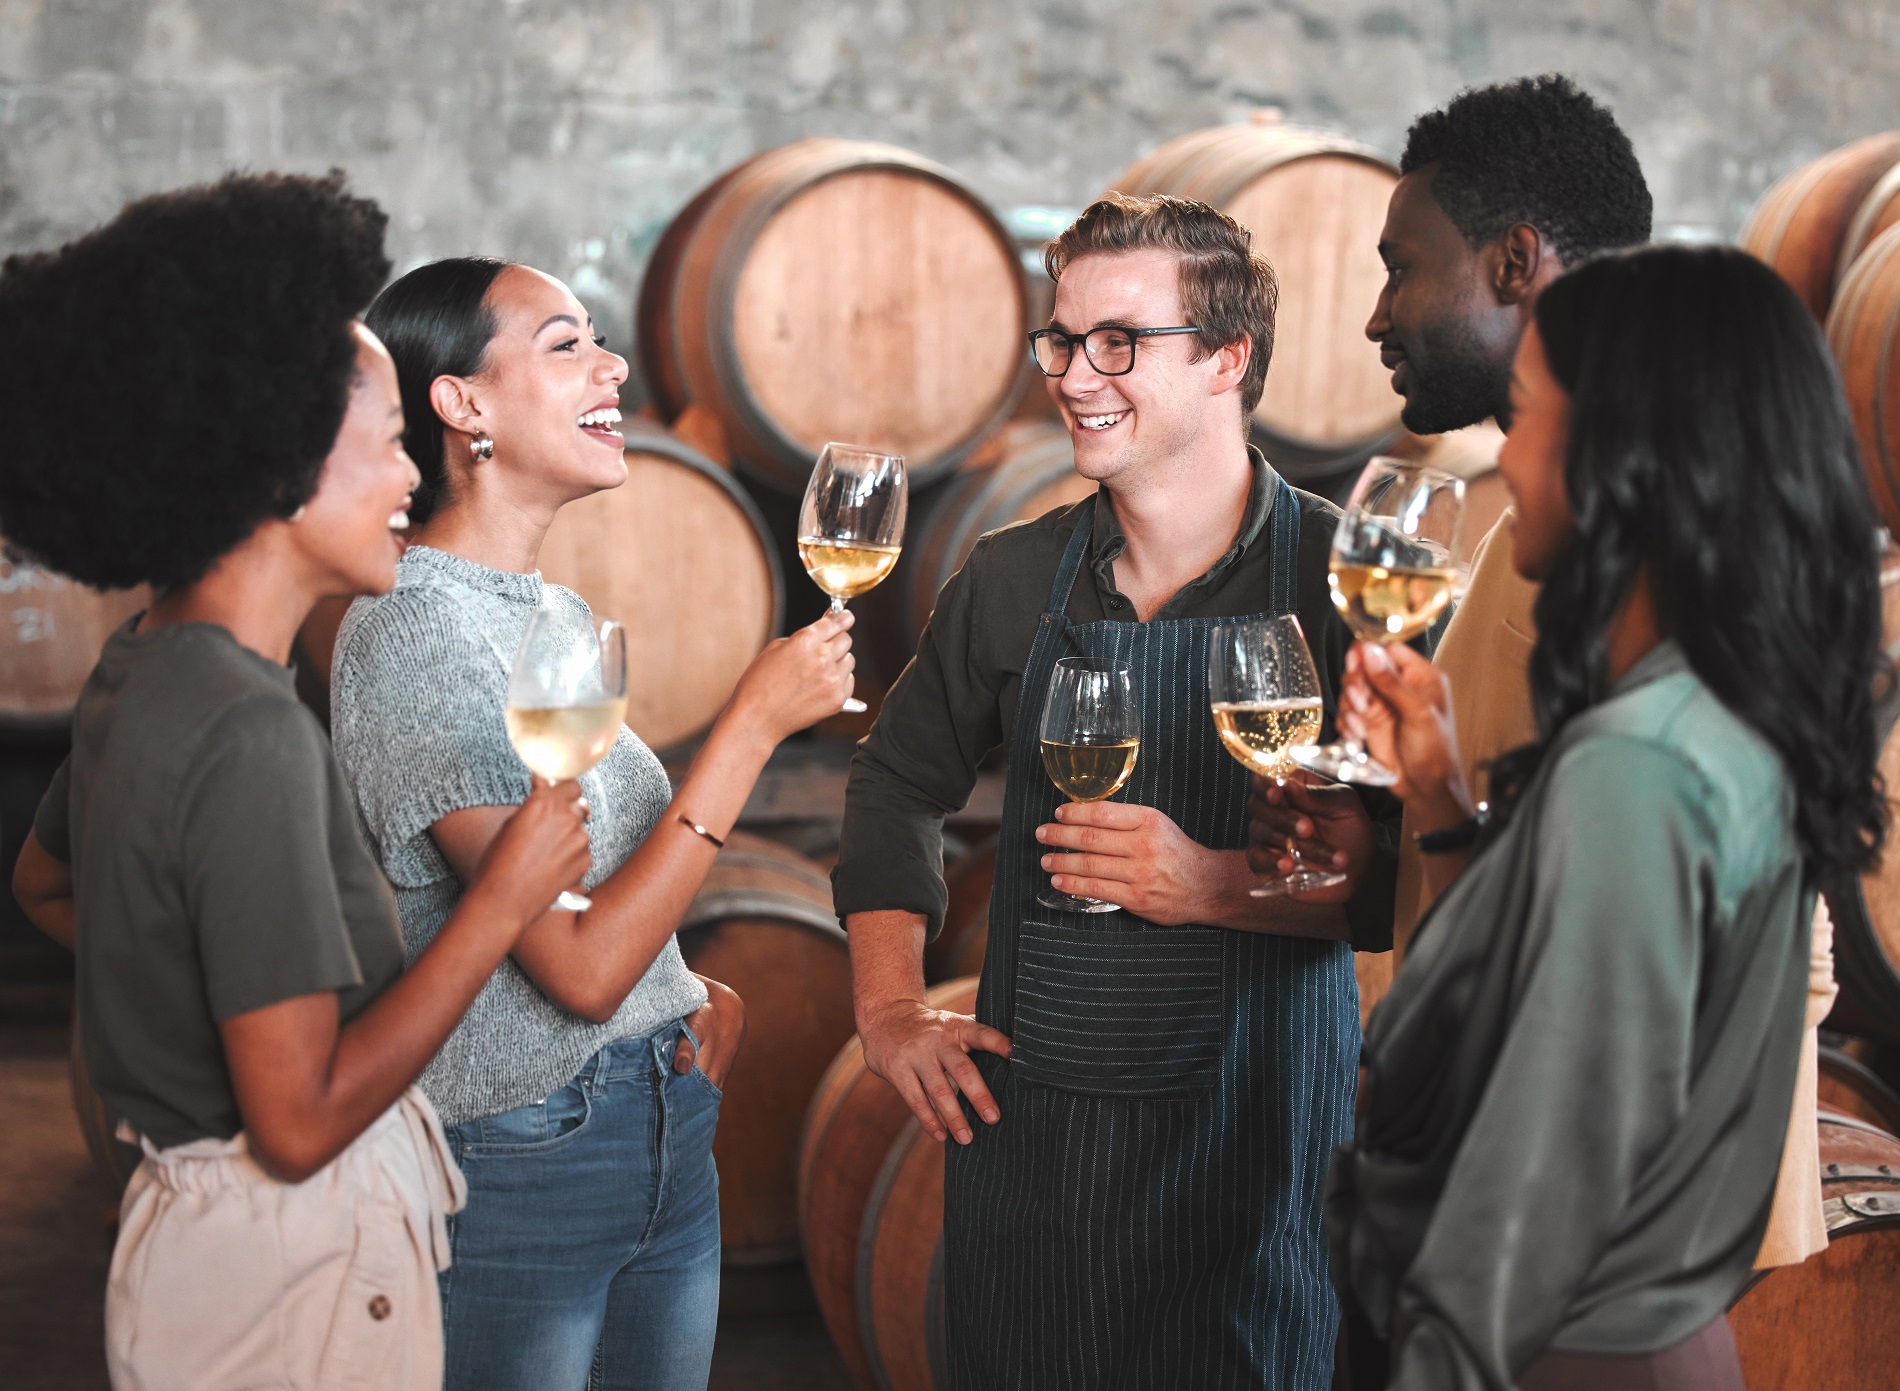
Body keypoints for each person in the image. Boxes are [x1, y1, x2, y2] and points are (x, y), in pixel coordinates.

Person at [3, 174, 592, 1390]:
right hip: (292, 1265)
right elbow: (299, 1119)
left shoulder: (144, 667)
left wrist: (199, 1007)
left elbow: (43, 885)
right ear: (278, 463)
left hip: (187, 1232)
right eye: (385, 444)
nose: (410, 479)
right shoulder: (249, 733)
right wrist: (499, 901)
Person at [1253, 73, 1841, 1272]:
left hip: (1615, 1245)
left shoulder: (1666, 549)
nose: (1376, 317)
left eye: (1400, 268)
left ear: (1515, 262)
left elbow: (1746, 932)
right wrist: (1393, 839)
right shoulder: (1522, 529)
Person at [832, 193, 1396, 1389]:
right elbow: (895, 780)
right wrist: (886, 1008)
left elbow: (1412, 866)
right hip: (1040, 1152)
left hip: (1254, 1150)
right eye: (1063, 339)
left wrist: (1212, 884)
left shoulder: (1343, 581)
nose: (1075, 374)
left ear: (1227, 357)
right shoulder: (1011, 575)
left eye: (1119, 342)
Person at [1323, 243, 1887, 1390]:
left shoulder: (1634, 764)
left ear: (1623, 451)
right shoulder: (1721, 712)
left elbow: (1529, 1188)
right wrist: (1437, 798)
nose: (1502, 452)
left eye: (1527, 412)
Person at [328, 257, 856, 1391]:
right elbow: (575, 968)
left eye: (600, 340)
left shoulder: (553, 613)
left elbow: (594, 879)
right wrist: (752, 728)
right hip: (521, 1149)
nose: (612, 365)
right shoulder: (410, 632)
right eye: (566, 344)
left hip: (658, 1120)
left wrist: (682, 988)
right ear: (462, 403)